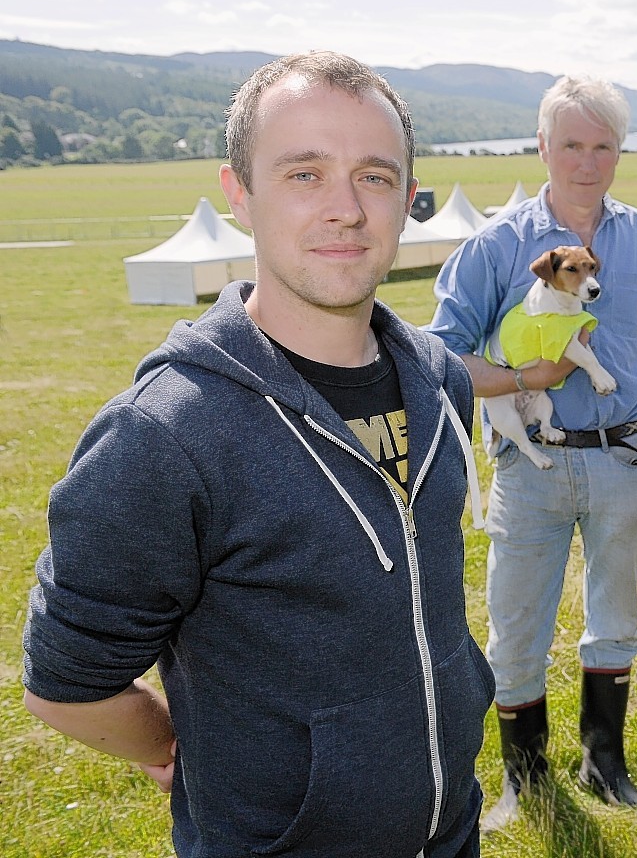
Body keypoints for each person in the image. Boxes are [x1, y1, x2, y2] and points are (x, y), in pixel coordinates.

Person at [22, 51, 494, 858]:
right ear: (238, 194)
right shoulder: (165, 435)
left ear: (408, 197)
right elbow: (67, 686)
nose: (345, 208)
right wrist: (180, 751)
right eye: (304, 174)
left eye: (375, 176)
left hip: (449, 833)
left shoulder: (440, 379)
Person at [426, 74, 637, 829]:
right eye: (572, 144)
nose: (587, 161)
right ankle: (526, 779)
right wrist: (525, 376)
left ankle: (605, 765)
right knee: (516, 623)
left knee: (615, 615)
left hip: (625, 454)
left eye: (603, 146)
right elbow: (440, 359)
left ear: (620, 151)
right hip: (532, 462)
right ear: (544, 146)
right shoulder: (495, 246)